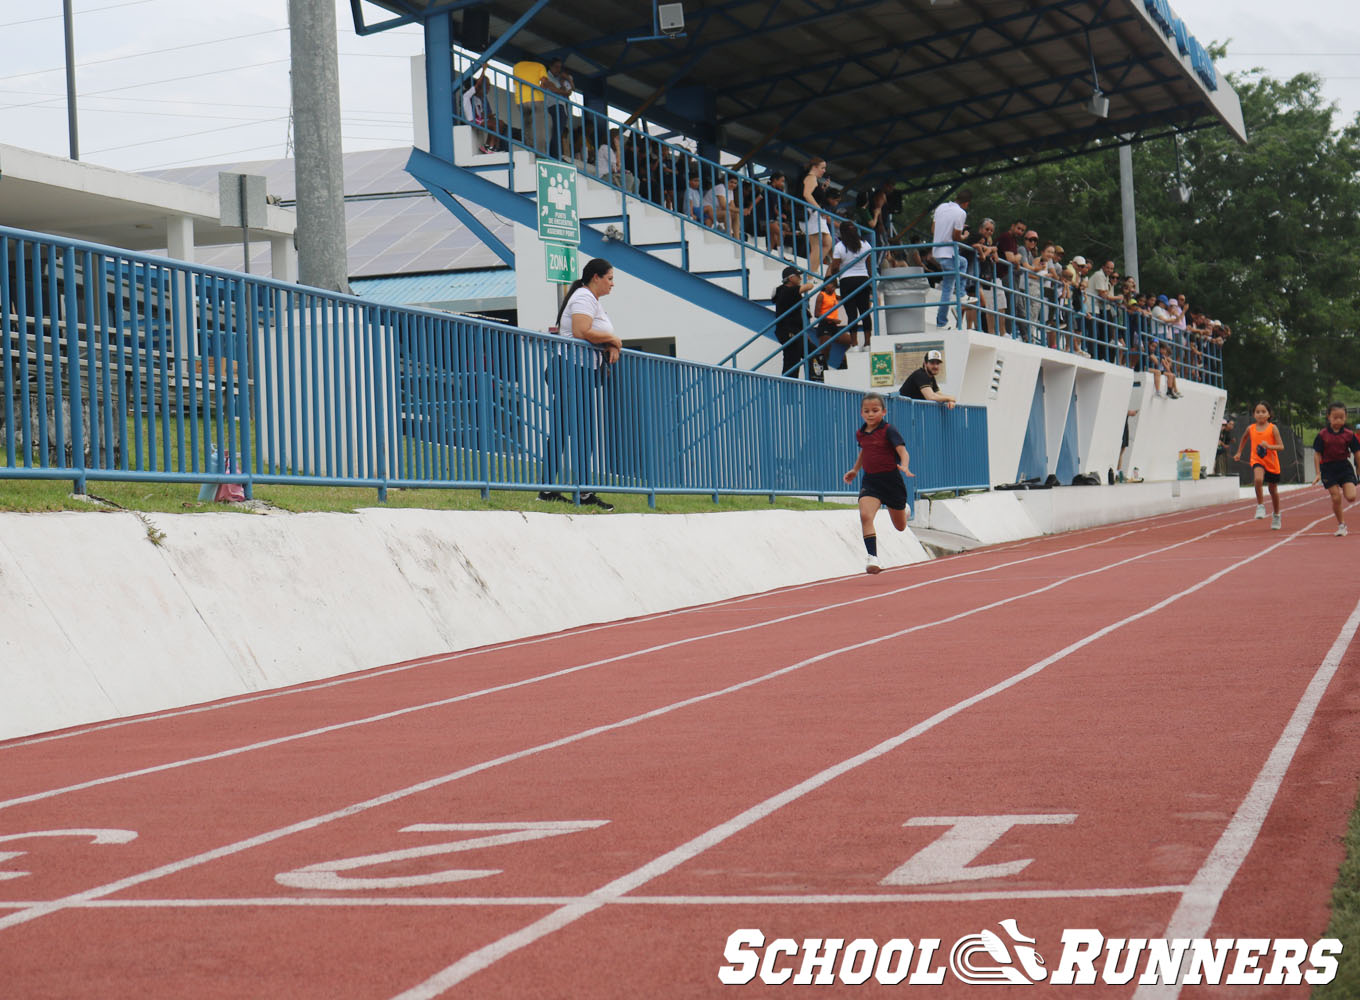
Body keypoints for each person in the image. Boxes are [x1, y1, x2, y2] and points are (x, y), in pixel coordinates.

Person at [539, 257, 621, 510]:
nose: (612, 284)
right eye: (609, 278)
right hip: (571, 371)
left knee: (568, 430)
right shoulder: (584, 298)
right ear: (596, 277)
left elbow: (587, 332)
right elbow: (581, 331)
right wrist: (614, 340)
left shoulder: (590, 300)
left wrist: (607, 344)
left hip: (578, 371)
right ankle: (579, 491)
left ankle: (552, 489)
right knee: (579, 431)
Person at [843, 392, 913, 574]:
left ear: (884, 412)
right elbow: (864, 452)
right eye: (866, 411)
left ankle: (904, 509)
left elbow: (903, 452)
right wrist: (855, 470)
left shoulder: (889, 430)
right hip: (871, 481)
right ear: (861, 413)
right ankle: (873, 557)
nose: (870, 414)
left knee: (900, 527)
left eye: (875, 410)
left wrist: (904, 466)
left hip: (891, 482)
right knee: (865, 516)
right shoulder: (861, 433)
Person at [1233, 401, 1284, 529]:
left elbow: (1281, 446)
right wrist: (1239, 452)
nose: (1260, 414)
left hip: (1271, 463)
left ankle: (1277, 515)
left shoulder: (1273, 428)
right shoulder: (1250, 428)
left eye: (1263, 412)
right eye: (1257, 412)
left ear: (1269, 414)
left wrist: (1269, 446)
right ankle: (1260, 505)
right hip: (1257, 460)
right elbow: (1244, 438)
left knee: (1273, 490)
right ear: (1254, 414)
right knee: (1258, 479)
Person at [1312, 402, 1360, 536]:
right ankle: (1341, 525)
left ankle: (1346, 489)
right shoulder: (1322, 435)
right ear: (1328, 417)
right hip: (1328, 468)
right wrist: (1318, 473)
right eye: (1335, 417)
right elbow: (1317, 454)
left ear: (1345, 418)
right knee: (1336, 497)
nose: (1338, 420)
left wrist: (1358, 470)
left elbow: (1357, 453)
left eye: (1341, 417)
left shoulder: (1349, 435)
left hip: (1344, 467)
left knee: (1351, 497)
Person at [827, 220, 873, 351]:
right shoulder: (865, 244)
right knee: (865, 312)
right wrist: (870, 278)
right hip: (863, 280)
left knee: (851, 314)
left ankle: (854, 344)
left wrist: (836, 274)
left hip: (847, 281)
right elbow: (869, 263)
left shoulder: (840, 247)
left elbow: (835, 267)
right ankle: (868, 343)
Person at [932, 189, 971, 329]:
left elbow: (933, 229)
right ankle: (960, 296)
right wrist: (964, 236)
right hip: (948, 253)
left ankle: (942, 320)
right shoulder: (961, 213)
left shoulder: (941, 207)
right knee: (949, 286)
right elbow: (956, 237)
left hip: (937, 251)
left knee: (949, 285)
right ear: (966, 203)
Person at [771, 265, 815, 378]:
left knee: (813, 352)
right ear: (790, 278)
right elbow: (808, 287)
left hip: (794, 330)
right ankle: (789, 391)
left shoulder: (787, 291)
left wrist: (804, 332)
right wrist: (810, 282)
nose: (800, 278)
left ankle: (814, 381)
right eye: (797, 276)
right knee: (792, 361)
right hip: (788, 331)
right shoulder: (786, 291)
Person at [800, 157, 831, 275]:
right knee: (817, 245)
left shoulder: (813, 179)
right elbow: (807, 194)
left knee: (827, 242)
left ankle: (813, 268)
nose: (824, 171)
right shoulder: (811, 178)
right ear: (815, 167)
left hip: (814, 213)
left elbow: (812, 194)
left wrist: (822, 188)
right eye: (822, 168)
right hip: (811, 214)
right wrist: (818, 209)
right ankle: (810, 272)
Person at [539, 57, 573, 159]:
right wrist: (565, 92)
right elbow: (554, 90)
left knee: (557, 132)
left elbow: (571, 89)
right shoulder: (546, 76)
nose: (558, 70)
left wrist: (568, 79)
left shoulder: (558, 79)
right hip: (554, 106)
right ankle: (555, 155)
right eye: (556, 67)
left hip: (560, 107)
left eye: (560, 68)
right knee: (556, 132)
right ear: (550, 66)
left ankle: (555, 154)